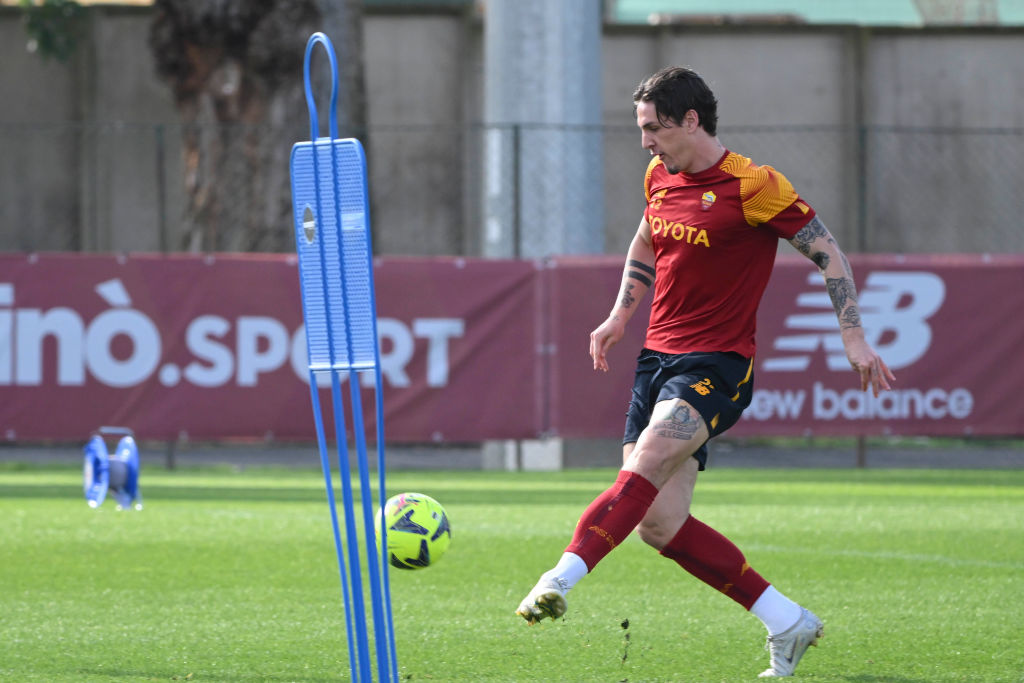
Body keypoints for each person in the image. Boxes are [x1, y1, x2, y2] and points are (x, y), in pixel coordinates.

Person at [515, 66, 895, 678]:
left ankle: (558, 578)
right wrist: (618, 317)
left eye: (653, 127)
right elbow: (645, 243)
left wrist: (853, 335)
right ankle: (787, 621)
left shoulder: (755, 185)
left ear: (691, 120)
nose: (645, 141)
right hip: (654, 360)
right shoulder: (658, 176)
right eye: (641, 128)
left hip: (718, 364)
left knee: (643, 465)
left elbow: (828, 253)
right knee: (659, 525)